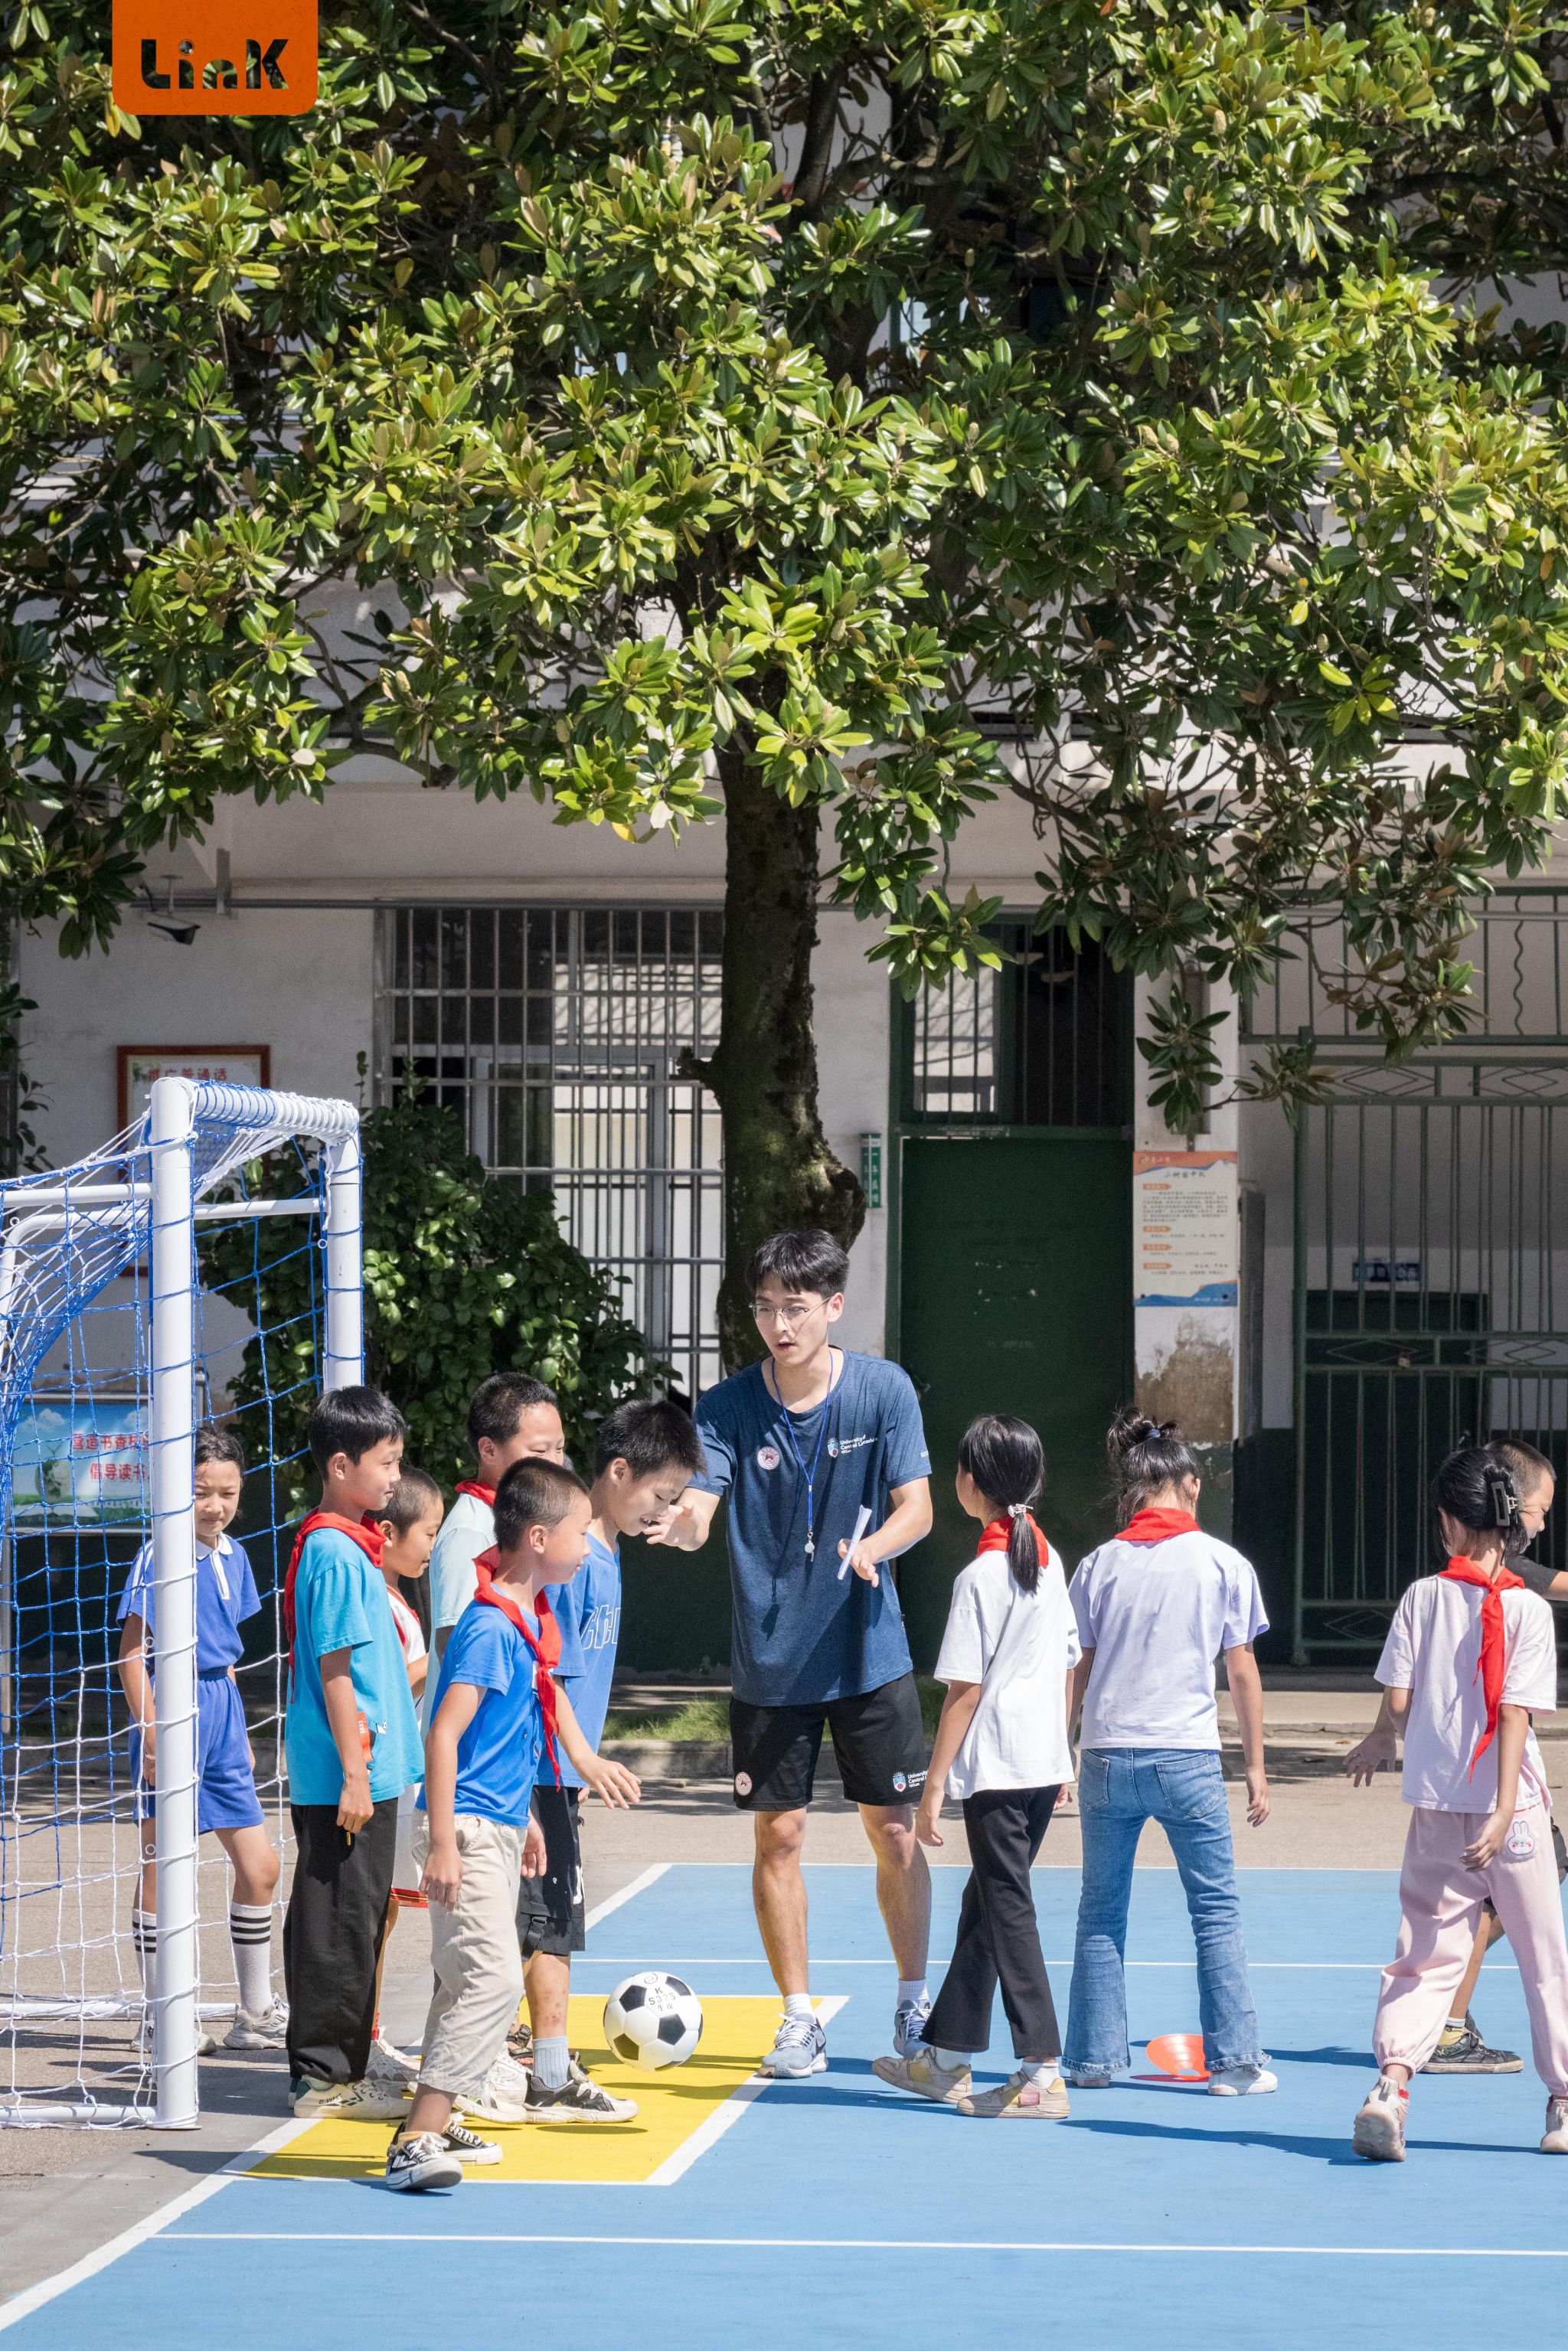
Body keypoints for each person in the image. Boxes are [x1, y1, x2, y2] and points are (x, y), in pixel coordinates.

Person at [655, 1229, 935, 2079]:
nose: (780, 1324)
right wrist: (683, 1523)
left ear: (833, 1306)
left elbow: (918, 1507)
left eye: (796, 1307)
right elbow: (703, 1503)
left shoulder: (883, 1390)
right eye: (766, 1307)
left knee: (894, 1831)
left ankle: (914, 2001)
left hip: (867, 1652)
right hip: (772, 1663)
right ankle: (798, 2017)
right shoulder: (726, 1405)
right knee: (778, 1835)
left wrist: (874, 1546)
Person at [386, 1458, 641, 2193]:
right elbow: (444, 1736)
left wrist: (524, 1814)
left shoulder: (528, 1619)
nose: (586, 1547)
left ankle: (438, 2118)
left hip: (494, 1823)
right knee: (494, 1983)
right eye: (577, 1534)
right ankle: (416, 2137)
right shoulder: (491, 1627)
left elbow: (507, 1734)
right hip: (464, 1830)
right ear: (537, 1538)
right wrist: (442, 1841)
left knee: (459, 1982)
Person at [1348, 1445, 1568, 2161]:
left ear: (1448, 1522)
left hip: (1438, 1810)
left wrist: (1393, 1738)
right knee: (1543, 1956)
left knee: (1424, 1956)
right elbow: (1514, 1714)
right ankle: (1562, 2103)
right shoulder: (1529, 1608)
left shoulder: (1421, 1597)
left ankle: (1391, 2086)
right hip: (1514, 1815)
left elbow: (1398, 1701)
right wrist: (1503, 1808)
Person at [1063, 1407, 1276, 2096]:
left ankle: (1092, 2060)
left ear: (1132, 1490)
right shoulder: (1223, 1563)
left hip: (1107, 1755)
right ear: (1191, 1484)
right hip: (1187, 1755)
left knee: (1100, 1912)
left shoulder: (1097, 1565)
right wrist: (1256, 1767)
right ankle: (1234, 2063)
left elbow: (1077, 1669)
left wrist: (1064, 1751)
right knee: (1215, 1910)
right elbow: (1241, 1670)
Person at [874, 1415, 1077, 2120]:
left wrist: (933, 1786)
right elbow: (1070, 1663)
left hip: (1000, 1768)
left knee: (1007, 1907)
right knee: (986, 1903)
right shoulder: (1049, 1562)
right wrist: (1064, 1751)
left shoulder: (981, 1575)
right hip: (1041, 1764)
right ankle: (947, 2057)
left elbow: (965, 1692)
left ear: (970, 1483)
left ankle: (1041, 2070)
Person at [512, 1398, 707, 2121]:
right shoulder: (573, 1562)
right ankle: (543, 2072)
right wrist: (582, 1759)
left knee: (535, 1925)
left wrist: (579, 1766)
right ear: (618, 1472)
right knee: (545, 1925)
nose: (666, 1509)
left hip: (557, 1772)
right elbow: (547, 1676)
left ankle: (523, 2060)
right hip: (538, 1771)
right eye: (660, 1493)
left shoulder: (607, 1550)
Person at [116, 1425, 284, 2052]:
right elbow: (131, 1656)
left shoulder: (234, 1554)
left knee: (261, 1867)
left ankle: (255, 2012)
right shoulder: (160, 1554)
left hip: (221, 1710)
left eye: (227, 1493)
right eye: (200, 1492)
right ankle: (161, 2016)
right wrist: (152, 1732)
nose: (215, 1505)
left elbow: (227, 1653)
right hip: (173, 1707)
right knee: (165, 1864)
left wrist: (237, 1728)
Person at [282, 1385, 423, 2121]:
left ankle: (345, 2066)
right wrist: (356, 1773)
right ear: (341, 1466)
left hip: (366, 1768)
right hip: (348, 1774)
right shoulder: (335, 1552)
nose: (396, 1475)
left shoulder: (350, 1546)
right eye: (387, 1461)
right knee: (336, 1925)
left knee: (355, 1918)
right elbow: (336, 1672)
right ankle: (323, 2078)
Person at [368, 1464, 444, 2084]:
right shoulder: (377, 1596)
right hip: (388, 1776)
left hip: (408, 1771)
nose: (434, 1547)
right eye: (429, 1533)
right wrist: (445, 1655)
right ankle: (364, 2037)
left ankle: (373, 2034)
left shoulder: (398, 1597)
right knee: (377, 1914)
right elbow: (392, 1681)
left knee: (389, 1912)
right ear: (390, 1533)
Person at [430, 1373, 567, 1662]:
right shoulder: (471, 1530)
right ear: (489, 1450)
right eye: (540, 1451)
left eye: (559, 1449)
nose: (555, 1463)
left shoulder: (520, 1519)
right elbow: (455, 1643)